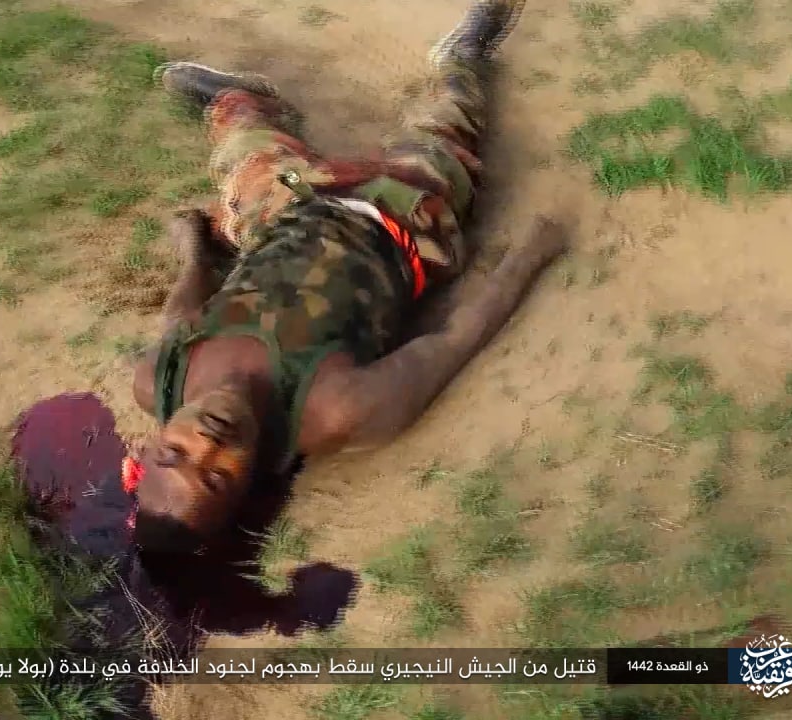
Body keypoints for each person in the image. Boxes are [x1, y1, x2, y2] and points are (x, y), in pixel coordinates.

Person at [129, 0, 569, 553]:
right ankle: (464, 57)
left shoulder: (160, 377)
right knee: (447, 119)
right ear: (249, 486)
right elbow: (456, 338)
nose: (207, 443)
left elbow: (181, 312)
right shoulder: (339, 410)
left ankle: (241, 96)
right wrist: (532, 256)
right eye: (217, 477)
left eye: (176, 453)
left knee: (240, 141)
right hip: (400, 217)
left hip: (287, 206)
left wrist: (193, 248)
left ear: (148, 447)